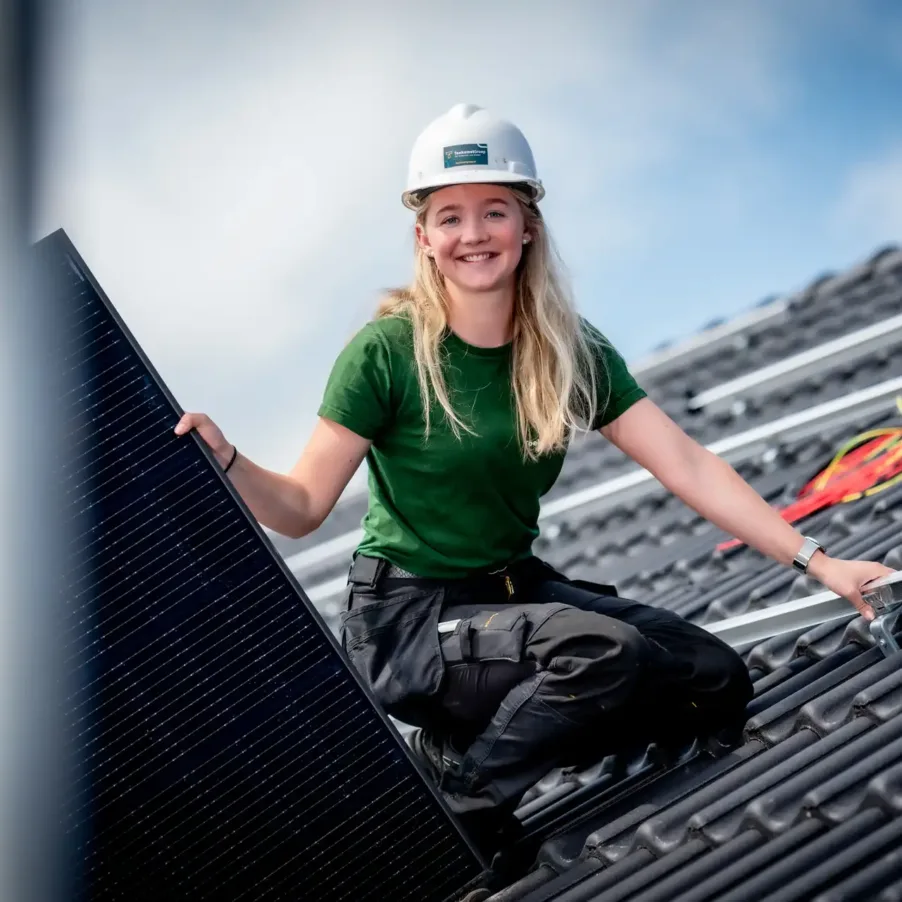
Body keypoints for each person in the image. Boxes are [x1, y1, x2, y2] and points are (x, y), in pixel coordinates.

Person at [175, 102, 894, 864]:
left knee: (713, 679)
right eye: (449, 216)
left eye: (495, 211)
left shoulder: (567, 350)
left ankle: (479, 736)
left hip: (511, 595)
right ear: (423, 237)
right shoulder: (385, 355)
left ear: (529, 228)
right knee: (599, 652)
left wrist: (822, 563)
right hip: (410, 620)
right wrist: (228, 460)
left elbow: (686, 465)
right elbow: (301, 509)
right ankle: (461, 789)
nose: (473, 233)